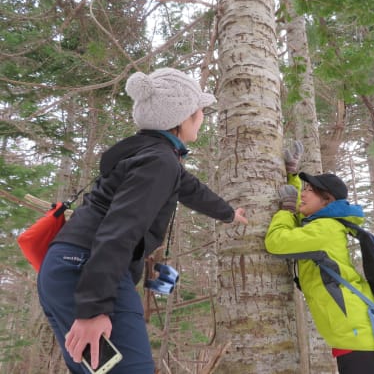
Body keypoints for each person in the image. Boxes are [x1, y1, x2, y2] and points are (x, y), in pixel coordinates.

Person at [37, 68, 248, 374]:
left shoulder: (149, 155)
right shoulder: (158, 162)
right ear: (182, 117)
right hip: (86, 269)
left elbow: (190, 189)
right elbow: (119, 231)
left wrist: (230, 214)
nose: (203, 116)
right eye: (200, 110)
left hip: (69, 267)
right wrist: (93, 308)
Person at [264, 142, 374, 374]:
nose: (303, 193)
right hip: (360, 339)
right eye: (303, 188)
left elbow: (276, 243)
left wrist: (286, 209)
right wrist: (291, 175)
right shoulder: (322, 226)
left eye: (310, 190)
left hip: (363, 341)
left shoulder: (325, 229)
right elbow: (300, 221)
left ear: (326, 200)